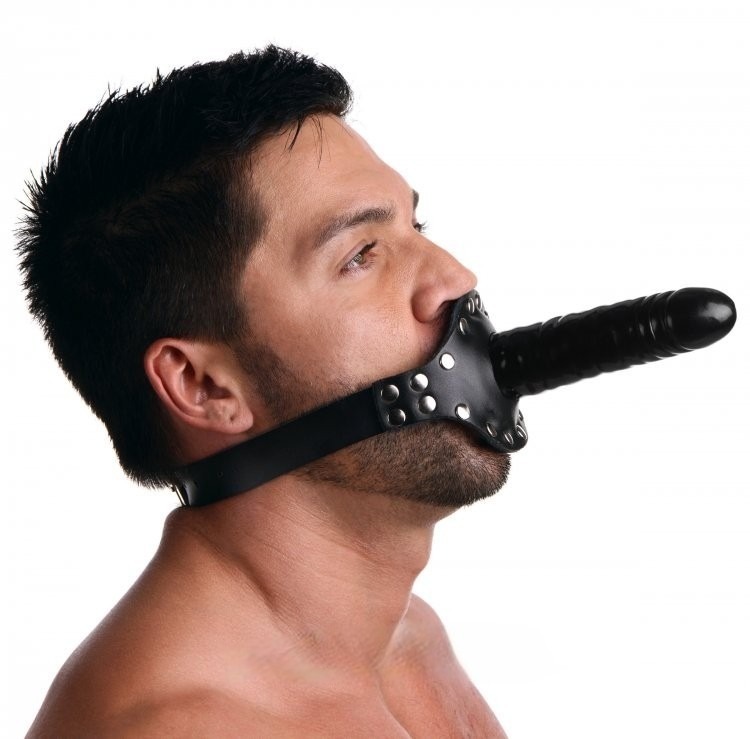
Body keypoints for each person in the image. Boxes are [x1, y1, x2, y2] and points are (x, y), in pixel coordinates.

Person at [18, 45, 512, 737]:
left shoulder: (407, 642)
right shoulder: (177, 728)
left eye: (414, 226)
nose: (454, 279)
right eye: (360, 255)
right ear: (203, 386)